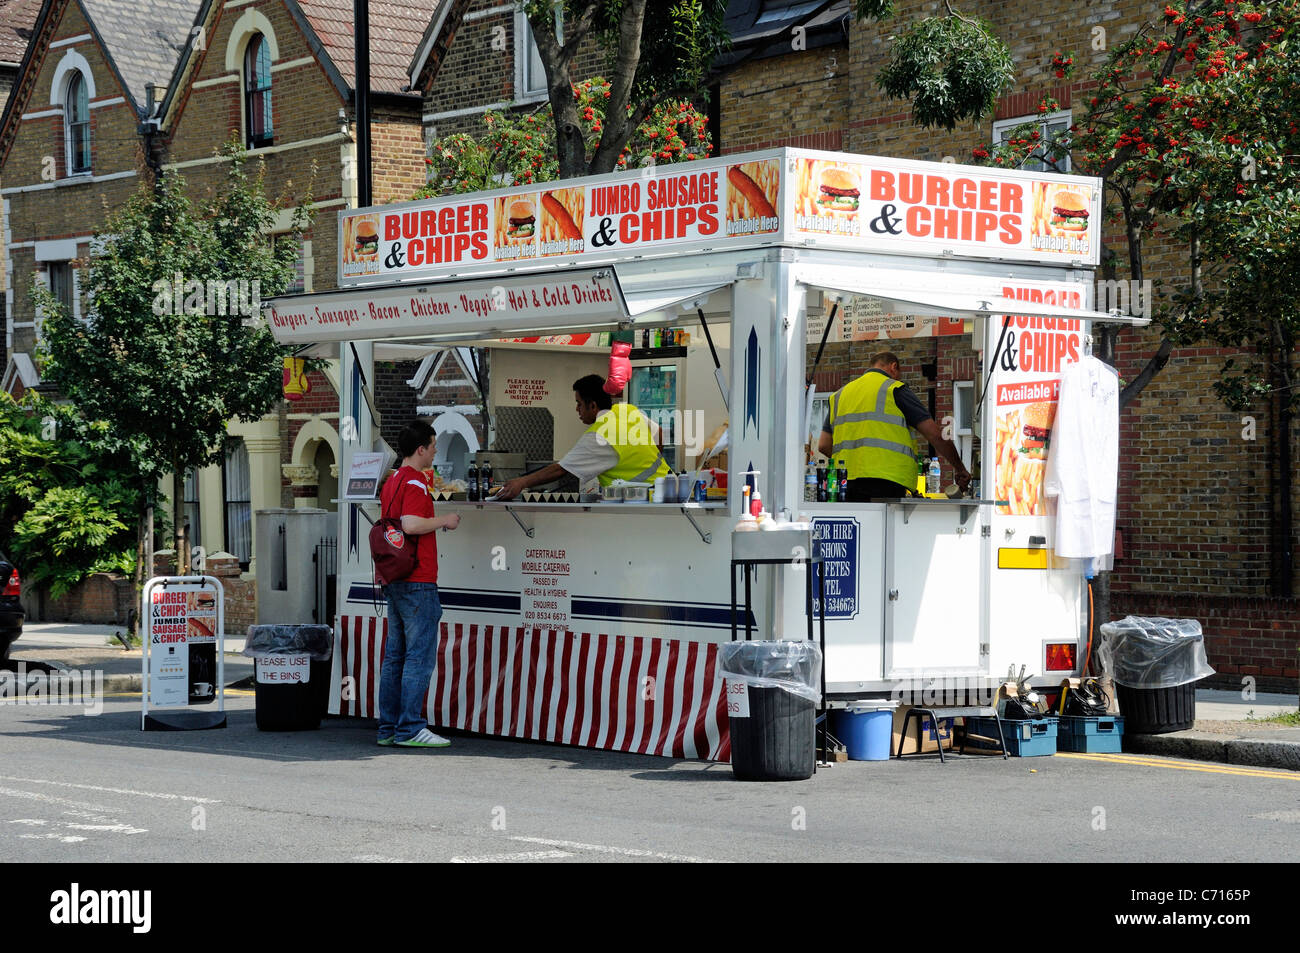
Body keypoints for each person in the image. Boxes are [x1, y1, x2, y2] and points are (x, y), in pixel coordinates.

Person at [377, 421, 461, 748]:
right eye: (433, 445)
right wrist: (445, 521)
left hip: (395, 578)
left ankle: (389, 727)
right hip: (418, 579)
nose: (436, 450)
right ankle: (411, 727)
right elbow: (411, 525)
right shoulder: (415, 482)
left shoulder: (393, 480)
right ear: (421, 449)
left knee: (395, 656)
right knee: (418, 657)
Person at [818, 351, 970, 501]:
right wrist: (959, 468)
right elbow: (935, 434)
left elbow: (824, 445)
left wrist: (853, 459)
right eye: (899, 374)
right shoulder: (894, 389)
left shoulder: (839, 395)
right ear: (893, 367)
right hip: (885, 482)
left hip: (844, 482)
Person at [496, 374, 671, 500]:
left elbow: (560, 469)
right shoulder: (627, 410)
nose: (577, 410)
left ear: (593, 405)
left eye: (579, 404)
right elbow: (659, 432)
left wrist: (522, 482)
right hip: (669, 488)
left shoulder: (599, 435)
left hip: (638, 500)